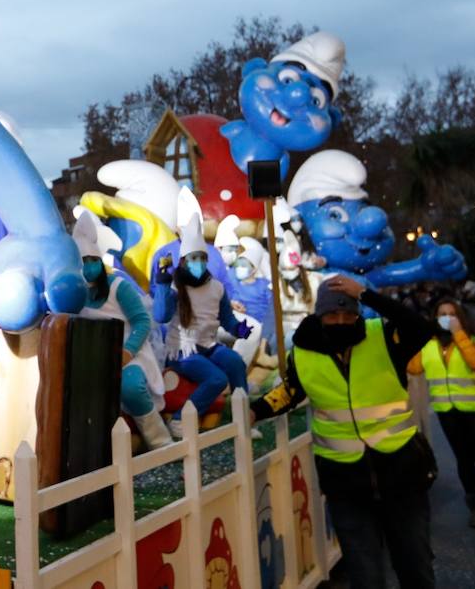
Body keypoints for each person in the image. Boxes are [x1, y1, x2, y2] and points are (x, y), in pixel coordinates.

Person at [253, 275, 439, 589]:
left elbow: (420, 327)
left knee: (415, 568)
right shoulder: (303, 352)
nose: (340, 321)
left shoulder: (384, 337)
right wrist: (254, 411)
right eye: (332, 315)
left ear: (357, 313)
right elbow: (290, 391)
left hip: (402, 473)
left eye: (348, 314)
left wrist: (365, 294)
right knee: (366, 578)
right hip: (346, 482)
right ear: (319, 315)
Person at [71, 211, 170, 449]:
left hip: (130, 357)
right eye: (83, 261)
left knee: (130, 387)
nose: (89, 266)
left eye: (93, 260)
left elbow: (142, 321)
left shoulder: (118, 286)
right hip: (93, 360)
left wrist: (128, 351)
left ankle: (160, 442)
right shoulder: (74, 292)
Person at [409, 298, 475, 527]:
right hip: (446, 410)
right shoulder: (429, 343)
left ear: (460, 317)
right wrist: (414, 338)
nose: (447, 318)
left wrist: (459, 334)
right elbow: (414, 367)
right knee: (463, 458)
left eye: (452, 313)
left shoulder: (474, 339)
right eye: (442, 314)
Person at [162, 214, 252, 432]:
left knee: (235, 363)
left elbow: (227, 319)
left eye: (202, 258)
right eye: (194, 258)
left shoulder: (217, 288)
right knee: (216, 379)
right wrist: (162, 287)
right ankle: (180, 418)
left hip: (209, 345)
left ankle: (244, 417)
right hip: (182, 351)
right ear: (183, 261)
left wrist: (238, 329)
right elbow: (161, 316)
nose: (199, 262)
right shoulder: (175, 287)